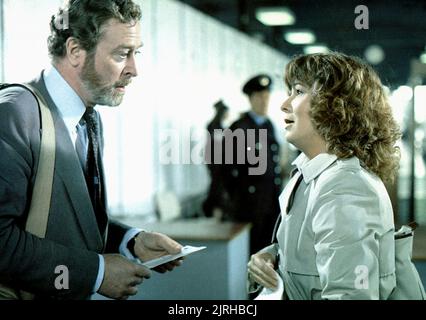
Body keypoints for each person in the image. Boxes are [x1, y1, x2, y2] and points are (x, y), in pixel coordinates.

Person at [0, 0, 183, 300]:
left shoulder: (88, 118)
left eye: (136, 53)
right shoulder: (15, 114)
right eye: (122, 54)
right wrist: (95, 272)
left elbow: (66, 218)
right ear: (75, 51)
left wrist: (130, 240)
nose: (134, 69)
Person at [247, 52, 401, 299]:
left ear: (335, 105)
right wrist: (272, 256)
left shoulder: (345, 186)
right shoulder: (310, 173)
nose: (284, 104)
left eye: (298, 91)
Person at [223, 74, 282, 255]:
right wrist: (238, 199)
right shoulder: (239, 128)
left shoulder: (268, 125)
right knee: (250, 253)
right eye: (260, 97)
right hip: (248, 206)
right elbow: (225, 169)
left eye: (267, 97)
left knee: (268, 252)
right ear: (251, 99)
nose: (264, 101)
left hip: (271, 203)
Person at [202, 100, 230, 219]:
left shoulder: (216, 125)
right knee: (216, 187)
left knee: (216, 186)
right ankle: (211, 210)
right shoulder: (215, 126)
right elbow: (218, 145)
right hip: (217, 162)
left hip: (215, 161)